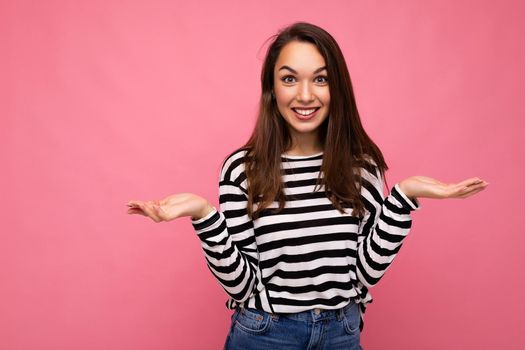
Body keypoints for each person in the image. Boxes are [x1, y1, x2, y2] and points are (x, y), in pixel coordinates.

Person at [126, 22, 488, 350]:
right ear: (272, 88)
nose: (304, 95)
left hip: (340, 333)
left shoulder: (362, 166)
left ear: (337, 87)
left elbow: (364, 272)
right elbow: (242, 286)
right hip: (265, 334)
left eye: (320, 78)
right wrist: (203, 214)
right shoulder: (242, 169)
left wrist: (404, 196)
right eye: (288, 79)